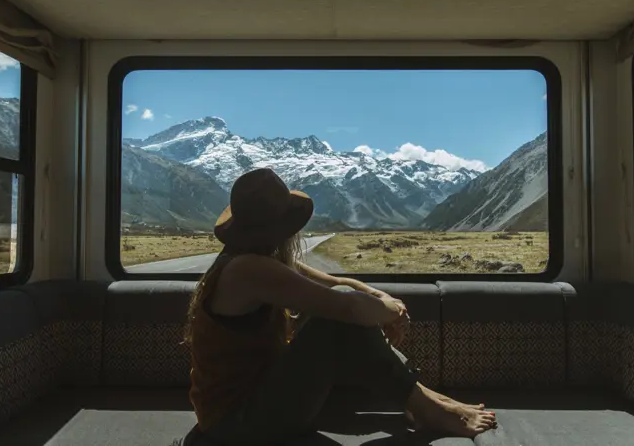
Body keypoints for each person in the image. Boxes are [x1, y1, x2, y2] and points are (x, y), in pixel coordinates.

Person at [181, 168, 496, 446]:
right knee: (332, 322)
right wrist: (389, 311)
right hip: (237, 424)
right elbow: (348, 308)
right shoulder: (248, 270)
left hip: (254, 402)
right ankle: (427, 406)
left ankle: (421, 400)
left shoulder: (254, 262)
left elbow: (336, 285)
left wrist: (383, 300)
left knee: (342, 304)